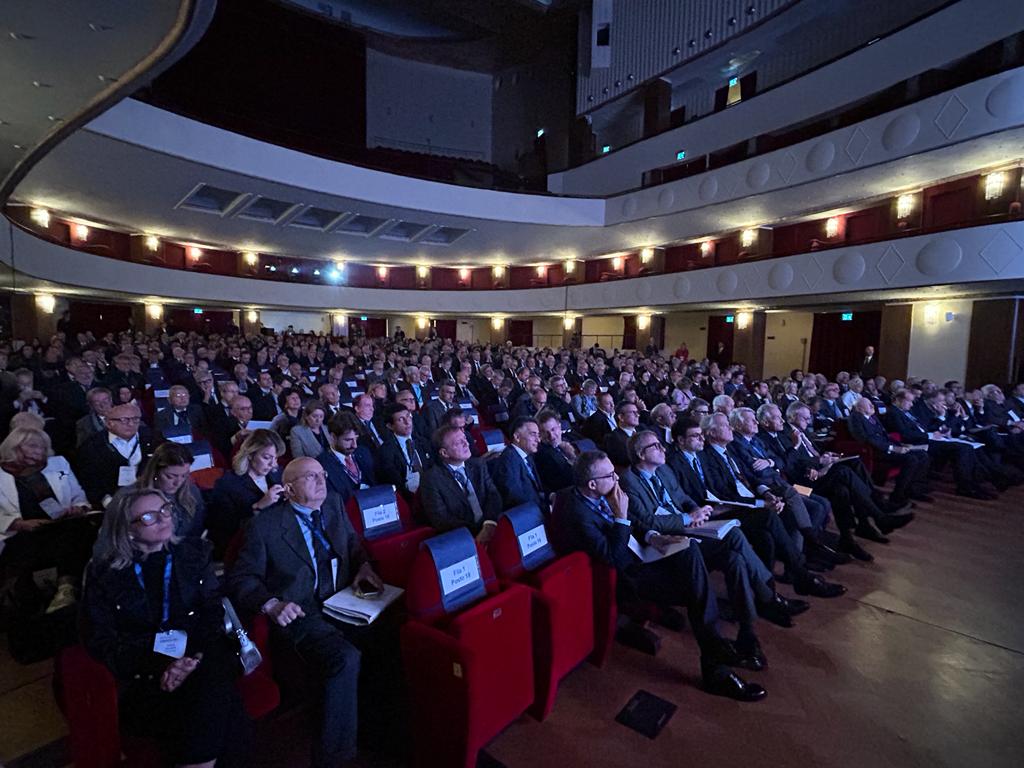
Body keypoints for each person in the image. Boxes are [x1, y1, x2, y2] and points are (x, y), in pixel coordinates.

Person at [549, 450, 766, 702]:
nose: (617, 478)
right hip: (632, 576)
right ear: (592, 484)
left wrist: (653, 536)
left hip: (646, 552)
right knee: (693, 568)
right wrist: (620, 517)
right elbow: (612, 558)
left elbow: (635, 521)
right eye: (610, 475)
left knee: (729, 554)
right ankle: (715, 659)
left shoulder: (603, 492)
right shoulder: (578, 513)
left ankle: (743, 637)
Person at [228, 458, 383, 768]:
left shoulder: (333, 504)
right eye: (310, 477)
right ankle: (335, 757)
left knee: (389, 634)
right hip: (300, 610)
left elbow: (353, 543)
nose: (321, 481)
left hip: (344, 598)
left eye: (322, 474)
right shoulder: (265, 526)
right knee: (344, 658)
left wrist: (364, 566)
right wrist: (272, 604)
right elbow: (241, 578)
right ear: (288, 489)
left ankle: (378, 729)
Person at [82, 487, 250, 767]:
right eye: (149, 517)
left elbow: (211, 614)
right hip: (143, 674)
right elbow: (101, 640)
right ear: (127, 529)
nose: (163, 519)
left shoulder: (194, 553)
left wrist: (191, 659)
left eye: (165, 510)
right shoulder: (104, 573)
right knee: (218, 696)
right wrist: (162, 666)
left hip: (199, 657)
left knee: (210, 678)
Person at [620, 429, 810, 633]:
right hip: (671, 538)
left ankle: (749, 626)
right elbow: (648, 521)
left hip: (693, 525)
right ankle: (770, 598)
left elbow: (683, 497)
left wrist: (696, 510)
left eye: (661, 444)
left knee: (735, 559)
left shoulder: (664, 470)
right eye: (656, 446)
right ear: (641, 454)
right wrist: (688, 518)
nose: (662, 448)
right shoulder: (629, 481)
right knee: (734, 535)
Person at [0, 427, 93, 614]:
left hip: (61, 523)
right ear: (15, 447)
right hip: (20, 531)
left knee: (78, 532)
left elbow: (78, 496)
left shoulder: (58, 464)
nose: (40, 451)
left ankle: (66, 588)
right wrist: (18, 524)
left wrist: (79, 507)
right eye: (33, 446)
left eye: (43, 447)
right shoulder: (3, 474)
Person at [207, 430, 286, 558]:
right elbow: (224, 530)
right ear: (250, 454)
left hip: (275, 540)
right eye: (266, 458)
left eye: (275, 458)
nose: (272, 464)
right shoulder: (228, 484)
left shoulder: (277, 475)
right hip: (244, 548)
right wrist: (259, 506)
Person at [419, 424, 503, 541]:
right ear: (444, 453)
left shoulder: (478, 465)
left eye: (465, 439)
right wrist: (477, 533)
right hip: (463, 537)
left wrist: (489, 524)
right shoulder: (431, 479)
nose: (466, 444)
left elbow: (493, 495)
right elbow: (441, 519)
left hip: (491, 525)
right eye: (459, 442)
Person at [848, 396, 932, 506]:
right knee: (911, 459)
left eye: (871, 403)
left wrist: (900, 445)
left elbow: (885, 435)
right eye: (869, 404)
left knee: (923, 455)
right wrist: (893, 448)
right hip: (876, 451)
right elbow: (868, 439)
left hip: (887, 447)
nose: (873, 405)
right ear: (859, 408)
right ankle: (898, 495)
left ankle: (912, 489)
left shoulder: (873, 417)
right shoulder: (856, 418)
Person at [75, 403, 152, 508]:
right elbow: (90, 481)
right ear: (109, 423)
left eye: (135, 419)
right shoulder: (92, 446)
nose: (131, 424)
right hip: (110, 501)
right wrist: (109, 504)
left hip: (148, 496)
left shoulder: (151, 437)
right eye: (124, 420)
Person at [137, 442, 207, 538]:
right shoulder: (135, 497)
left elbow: (197, 529)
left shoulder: (192, 491)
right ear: (155, 471)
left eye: (184, 476)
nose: (178, 483)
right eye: (170, 476)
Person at [489, 417, 550, 515]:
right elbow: (515, 498)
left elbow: (537, 488)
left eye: (538, 435)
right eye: (533, 434)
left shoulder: (527, 456)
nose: (538, 440)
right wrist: (546, 509)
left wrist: (550, 496)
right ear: (517, 437)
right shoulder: (508, 460)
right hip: (527, 514)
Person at [375, 404, 432, 499]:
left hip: (430, 490)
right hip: (406, 496)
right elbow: (394, 481)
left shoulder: (423, 442)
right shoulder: (386, 451)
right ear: (390, 426)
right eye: (401, 419)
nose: (407, 422)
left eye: (408, 416)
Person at [318, 412, 376, 502]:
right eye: (348, 440)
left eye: (356, 438)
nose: (354, 445)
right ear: (333, 437)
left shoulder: (363, 452)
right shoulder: (322, 464)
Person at [534, 409, 577, 493]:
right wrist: (572, 458)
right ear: (540, 435)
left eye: (553, 429)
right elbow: (569, 480)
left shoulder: (570, 438)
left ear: (559, 426)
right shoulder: (543, 455)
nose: (551, 436)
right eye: (545, 432)